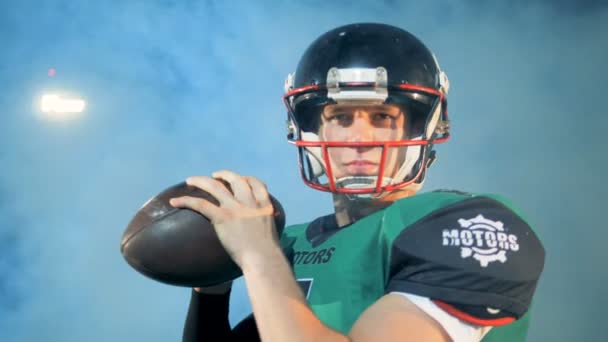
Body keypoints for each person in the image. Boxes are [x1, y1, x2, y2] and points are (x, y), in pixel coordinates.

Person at [172, 23, 545, 342]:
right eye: (341, 117)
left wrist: (257, 256)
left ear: (422, 129)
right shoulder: (288, 242)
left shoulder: (469, 225)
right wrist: (211, 287)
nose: (358, 138)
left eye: (382, 116)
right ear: (312, 131)